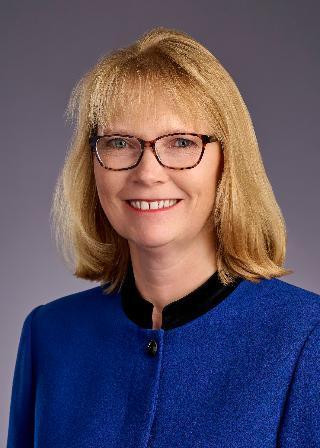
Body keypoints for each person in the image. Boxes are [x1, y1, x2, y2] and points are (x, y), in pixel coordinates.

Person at [6, 26, 320, 447]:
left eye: (181, 143)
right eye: (119, 142)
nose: (148, 173)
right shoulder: (50, 334)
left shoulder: (305, 337)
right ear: (92, 166)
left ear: (227, 164)